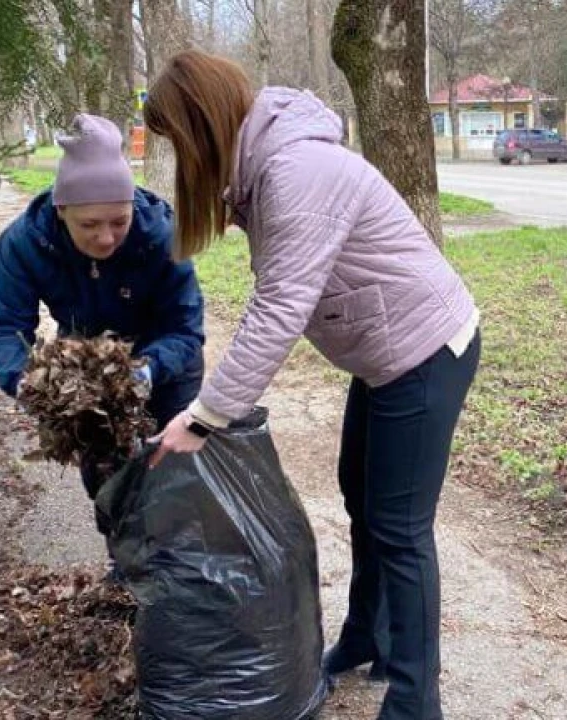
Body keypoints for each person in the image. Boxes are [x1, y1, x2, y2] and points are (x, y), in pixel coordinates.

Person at [144, 50, 480, 720]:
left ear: (203, 123)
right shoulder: (264, 169)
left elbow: (279, 307)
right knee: (363, 501)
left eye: (178, 139)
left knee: (401, 529)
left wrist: (206, 416)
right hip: (386, 359)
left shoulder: (297, 170)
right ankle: (367, 638)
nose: (179, 155)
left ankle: (417, 702)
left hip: (425, 352)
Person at [0, 113, 206, 533]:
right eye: (90, 225)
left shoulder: (159, 235)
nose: (106, 238)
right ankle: (125, 566)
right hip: (86, 366)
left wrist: (146, 371)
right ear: (61, 208)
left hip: (164, 360)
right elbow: (4, 329)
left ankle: (181, 578)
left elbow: (185, 329)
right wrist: (25, 383)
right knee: (107, 481)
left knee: (177, 479)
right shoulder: (25, 243)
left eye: (119, 222)